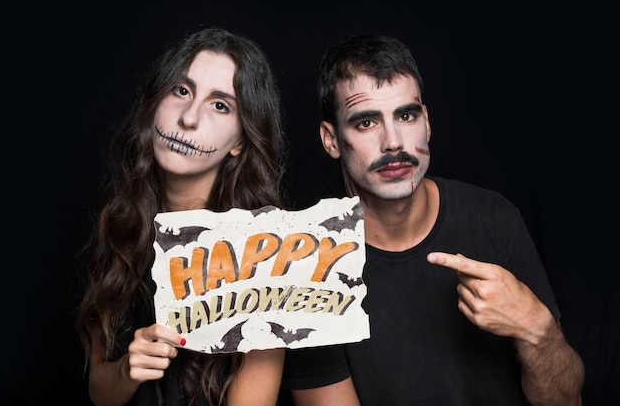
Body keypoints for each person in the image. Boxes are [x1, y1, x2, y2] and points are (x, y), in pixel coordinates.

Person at [281, 33, 585, 406]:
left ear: (426, 122)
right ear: (331, 139)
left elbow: (566, 399)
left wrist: (537, 330)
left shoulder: (494, 218)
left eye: (405, 116)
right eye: (366, 123)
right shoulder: (305, 264)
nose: (393, 142)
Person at [75, 26, 288, 406]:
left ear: (240, 141)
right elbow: (100, 391)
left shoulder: (265, 249)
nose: (189, 118)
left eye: (220, 105)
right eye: (182, 90)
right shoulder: (122, 220)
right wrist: (127, 369)